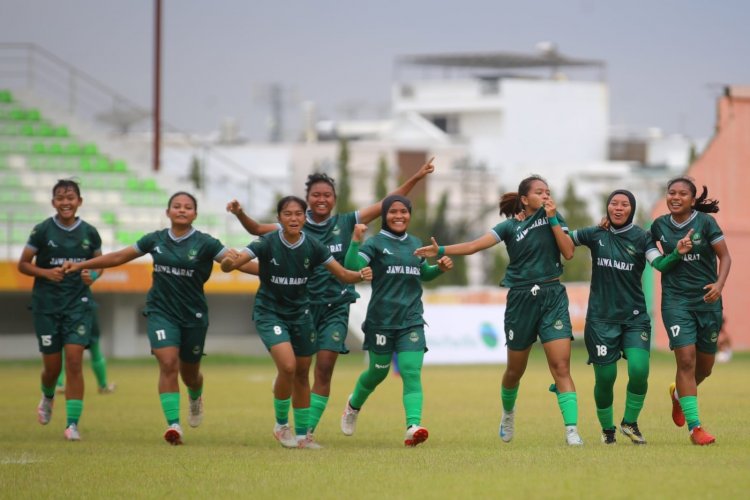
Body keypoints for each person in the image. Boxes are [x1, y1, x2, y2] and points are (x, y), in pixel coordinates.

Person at [226, 158, 434, 439]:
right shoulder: (294, 224)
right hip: (303, 306)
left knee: (323, 368)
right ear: (307, 199)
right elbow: (256, 231)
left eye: (327, 195)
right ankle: (284, 423)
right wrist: (240, 215)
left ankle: (307, 431)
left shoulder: (348, 222)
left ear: (335, 199)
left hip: (336, 305)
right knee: (299, 369)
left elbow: (389, 203)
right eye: (316, 195)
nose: (321, 199)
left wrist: (417, 177)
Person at [415, 175, 584, 446]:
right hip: (520, 300)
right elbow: (473, 246)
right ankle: (508, 413)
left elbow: (569, 252)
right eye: (539, 192)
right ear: (525, 199)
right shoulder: (508, 227)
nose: (546, 195)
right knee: (514, 372)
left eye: (548, 191)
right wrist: (441, 249)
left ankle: (572, 430)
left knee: (561, 365)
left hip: (552, 296)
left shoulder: (554, 217)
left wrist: (553, 219)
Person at [62, 191, 227, 445]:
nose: (181, 210)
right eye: (176, 206)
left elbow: (236, 260)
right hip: (160, 311)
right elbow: (118, 257)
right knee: (168, 363)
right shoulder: (155, 239)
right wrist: (84, 265)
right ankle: (173, 425)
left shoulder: (206, 243)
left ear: (195, 214)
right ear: (168, 212)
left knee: (190, 374)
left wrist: (267, 270)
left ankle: (195, 396)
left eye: (187, 207)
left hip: (193, 315)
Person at [220, 195, 372, 449]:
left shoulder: (313, 246)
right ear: (279, 218)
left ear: (305, 217)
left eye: (298, 214)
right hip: (270, 312)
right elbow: (235, 263)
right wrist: (228, 263)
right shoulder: (267, 242)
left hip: (301, 313)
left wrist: (360, 274)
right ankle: (281, 426)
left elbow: (343, 275)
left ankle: (302, 436)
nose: (293, 218)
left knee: (302, 372)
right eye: (287, 214)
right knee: (289, 367)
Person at [340, 195, 452, 446]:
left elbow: (424, 274)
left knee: (411, 372)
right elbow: (352, 268)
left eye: (404, 211)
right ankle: (353, 406)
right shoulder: (377, 243)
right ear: (385, 216)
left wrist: (440, 269)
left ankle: (413, 427)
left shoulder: (415, 243)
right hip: (381, 321)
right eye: (393, 212)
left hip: (411, 320)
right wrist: (355, 243)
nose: (398, 216)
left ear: (410, 215)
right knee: (377, 374)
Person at [646, 177, 731, 445]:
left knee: (704, 368)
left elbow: (725, 257)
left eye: (682, 194)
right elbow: (657, 262)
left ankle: (677, 395)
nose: (675, 197)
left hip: (707, 301)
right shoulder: (659, 226)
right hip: (676, 301)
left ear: (692, 200)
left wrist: (719, 284)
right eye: (671, 192)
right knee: (685, 360)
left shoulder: (705, 223)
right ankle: (696, 429)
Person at [18, 179, 104, 441]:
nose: (65, 202)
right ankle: (47, 396)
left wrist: (93, 275)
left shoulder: (90, 232)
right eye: (60, 198)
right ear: (53, 202)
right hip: (46, 305)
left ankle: (72, 424)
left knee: (75, 361)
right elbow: (23, 264)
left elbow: (100, 263)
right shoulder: (42, 230)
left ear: (80, 201)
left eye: (70, 198)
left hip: (78, 305)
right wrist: (45, 272)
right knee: (52, 368)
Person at [569, 190, 654, 445]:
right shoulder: (595, 234)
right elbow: (562, 239)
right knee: (606, 379)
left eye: (624, 204)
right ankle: (608, 429)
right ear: (607, 208)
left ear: (632, 209)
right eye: (614, 204)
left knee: (639, 370)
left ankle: (630, 422)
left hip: (635, 317)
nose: (618, 208)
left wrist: (672, 258)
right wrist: (546, 218)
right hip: (601, 320)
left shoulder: (642, 237)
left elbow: (657, 261)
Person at [56, 310, 116, 395]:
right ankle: (102, 385)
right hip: (85, 309)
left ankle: (59, 384)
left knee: (63, 346)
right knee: (94, 346)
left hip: (65, 309)